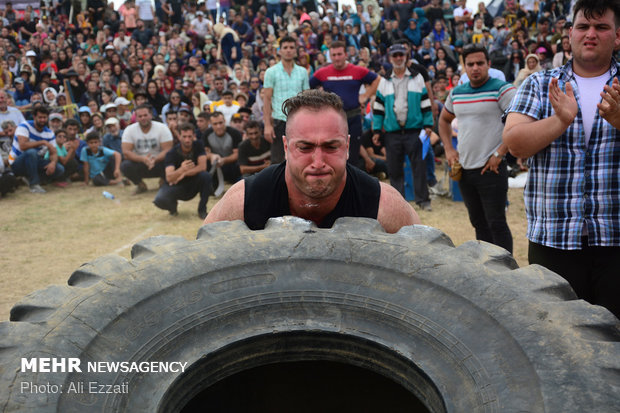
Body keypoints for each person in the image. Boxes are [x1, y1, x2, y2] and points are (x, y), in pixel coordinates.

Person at [503, 0, 620, 318]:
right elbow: (514, 143)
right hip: (554, 240)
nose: (591, 34)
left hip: (615, 239)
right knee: (557, 340)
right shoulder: (541, 84)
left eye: (601, 27)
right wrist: (560, 121)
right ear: (570, 34)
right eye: (583, 26)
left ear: (618, 36)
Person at [205, 89, 420, 233]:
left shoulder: (383, 205)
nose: (318, 162)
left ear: (346, 147)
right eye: (305, 147)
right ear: (286, 147)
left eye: (330, 146)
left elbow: (429, 265)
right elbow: (200, 259)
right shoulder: (244, 201)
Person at [439, 44, 516, 253]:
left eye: (480, 63)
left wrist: (500, 152)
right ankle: (486, 268)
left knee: (496, 223)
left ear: (488, 65)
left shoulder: (503, 89)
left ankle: (506, 272)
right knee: (478, 223)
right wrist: (448, 149)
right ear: (463, 66)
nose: (475, 68)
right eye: (470, 64)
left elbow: (519, 122)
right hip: (465, 170)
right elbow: (443, 120)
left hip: (491, 168)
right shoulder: (457, 93)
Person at [372, 44, 433, 211]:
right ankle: (398, 204)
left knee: (418, 166)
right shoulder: (384, 81)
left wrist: (428, 124)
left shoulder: (417, 77)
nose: (398, 58)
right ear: (390, 58)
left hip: (414, 131)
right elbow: (378, 108)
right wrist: (377, 130)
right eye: (395, 55)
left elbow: (425, 102)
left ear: (406, 57)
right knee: (394, 169)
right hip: (392, 133)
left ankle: (423, 200)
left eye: (401, 55)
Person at [310, 41, 380, 166]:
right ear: (330, 57)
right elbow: (307, 87)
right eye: (334, 55)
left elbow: (377, 80)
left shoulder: (357, 71)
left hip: (353, 117)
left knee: (352, 154)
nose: (337, 58)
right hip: (332, 119)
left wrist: (365, 96)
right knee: (333, 152)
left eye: (339, 54)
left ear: (346, 55)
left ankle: (350, 183)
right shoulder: (322, 73)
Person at [263, 35, 309, 163]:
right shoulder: (271, 72)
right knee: (278, 161)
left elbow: (306, 99)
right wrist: (267, 125)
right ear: (280, 51)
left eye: (291, 47)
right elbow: (266, 100)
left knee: (300, 158)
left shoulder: (302, 72)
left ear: (295, 51)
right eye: (285, 47)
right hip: (279, 120)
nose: (288, 50)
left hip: (299, 120)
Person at [154, 122, 214, 219]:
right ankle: (173, 207)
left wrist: (185, 173)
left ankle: (202, 210)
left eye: (190, 136)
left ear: (194, 136)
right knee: (159, 200)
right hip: (177, 185)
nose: (187, 140)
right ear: (179, 137)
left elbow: (203, 167)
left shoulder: (198, 145)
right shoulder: (171, 153)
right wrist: (181, 169)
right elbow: (169, 178)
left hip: (193, 183)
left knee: (206, 176)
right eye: (184, 136)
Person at [8, 105, 65, 193]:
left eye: (44, 117)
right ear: (34, 117)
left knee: (59, 169)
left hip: (36, 162)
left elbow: (53, 152)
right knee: (31, 152)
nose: (42, 120)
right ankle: (34, 185)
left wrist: (53, 163)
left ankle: (31, 178)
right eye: (40, 117)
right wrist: (42, 142)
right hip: (17, 162)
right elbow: (23, 146)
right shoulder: (24, 126)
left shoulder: (49, 133)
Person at [121, 104, 173, 195]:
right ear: (136, 117)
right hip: (140, 163)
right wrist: (143, 159)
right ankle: (140, 185)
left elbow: (168, 150)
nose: (143, 118)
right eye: (140, 116)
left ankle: (164, 182)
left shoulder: (162, 128)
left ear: (151, 115)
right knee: (125, 165)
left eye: (145, 115)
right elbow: (126, 152)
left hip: (159, 162)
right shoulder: (129, 130)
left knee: (172, 158)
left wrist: (155, 159)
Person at [201, 111, 242, 185]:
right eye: (215, 124)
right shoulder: (206, 134)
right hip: (215, 165)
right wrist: (212, 156)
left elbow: (237, 154)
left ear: (225, 121)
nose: (218, 126)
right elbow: (205, 152)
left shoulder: (234, 133)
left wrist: (224, 160)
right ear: (210, 124)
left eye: (220, 123)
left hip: (231, 165)